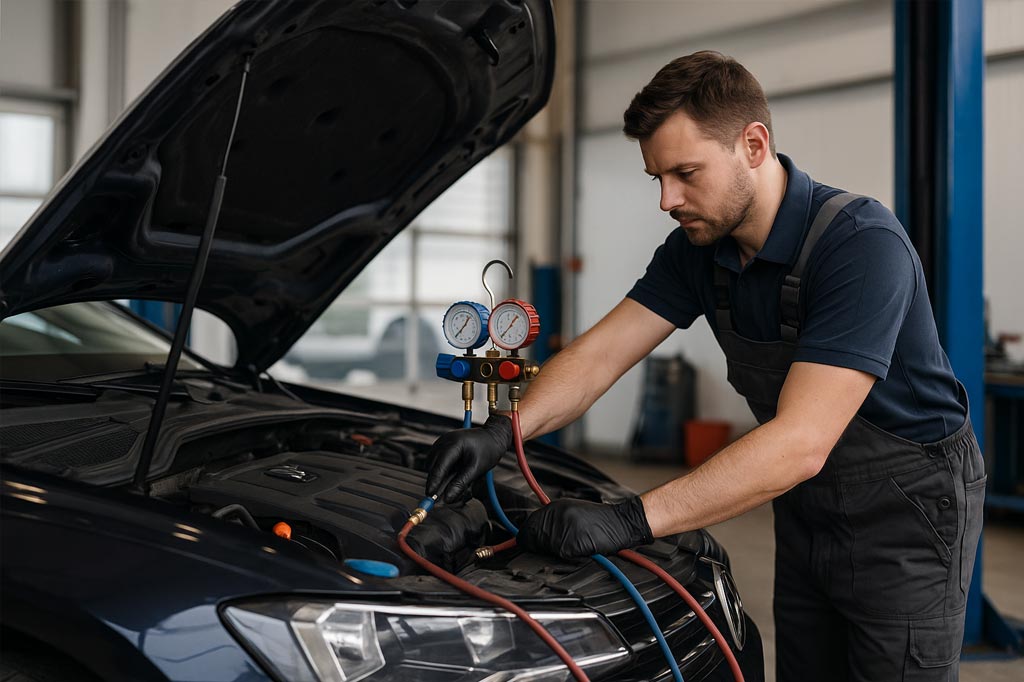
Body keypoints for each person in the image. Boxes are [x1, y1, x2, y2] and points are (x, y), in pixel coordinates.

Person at [424, 51, 985, 682]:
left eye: (686, 173)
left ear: (753, 144)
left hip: (906, 514)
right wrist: (504, 430)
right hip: (808, 510)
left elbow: (800, 443)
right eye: (656, 177)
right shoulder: (699, 250)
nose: (668, 199)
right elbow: (602, 353)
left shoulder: (859, 243)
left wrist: (628, 519)